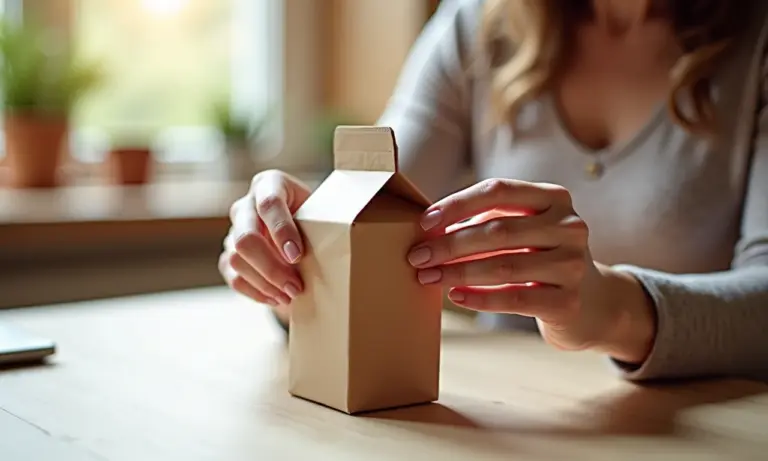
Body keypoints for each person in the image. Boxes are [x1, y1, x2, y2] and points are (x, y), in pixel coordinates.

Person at [220, 0, 768, 382]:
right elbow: (369, 214)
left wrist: (619, 311)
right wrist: (299, 265)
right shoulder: (475, 24)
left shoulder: (756, 42)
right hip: (505, 423)